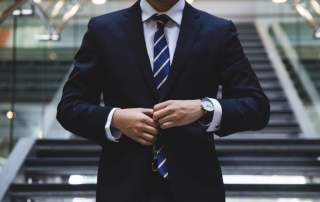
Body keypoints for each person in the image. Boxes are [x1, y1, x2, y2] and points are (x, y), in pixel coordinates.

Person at [56, 0, 270, 201]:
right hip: (122, 186)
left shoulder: (218, 30)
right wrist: (116, 118)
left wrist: (203, 107)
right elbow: (69, 107)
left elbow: (256, 106)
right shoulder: (103, 29)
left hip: (196, 186)